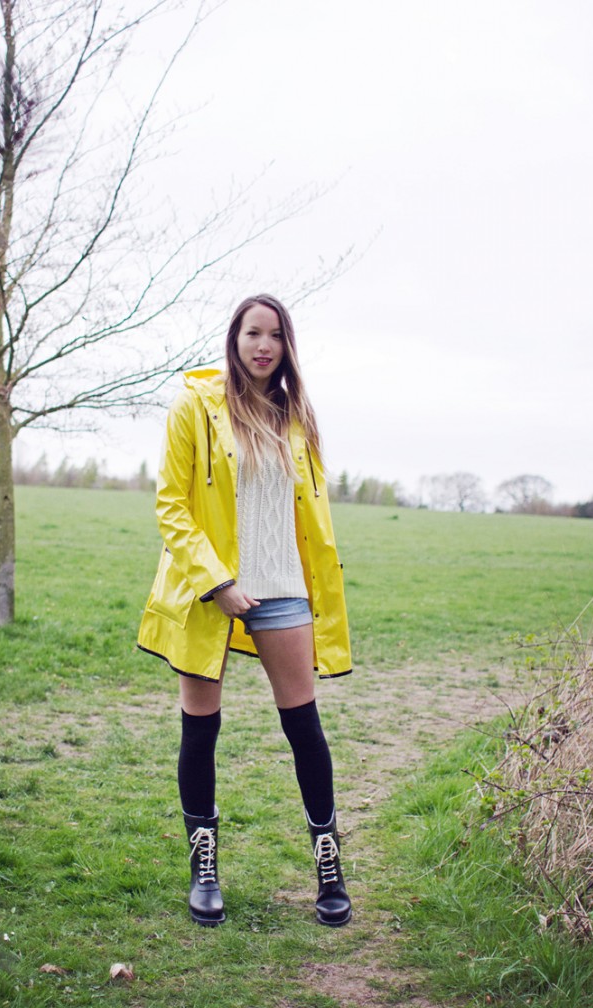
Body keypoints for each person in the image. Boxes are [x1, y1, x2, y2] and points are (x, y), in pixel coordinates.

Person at [138, 294, 352, 928]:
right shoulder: (195, 407)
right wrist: (217, 582)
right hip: (208, 592)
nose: (264, 345)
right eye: (253, 333)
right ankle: (204, 866)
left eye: (276, 336)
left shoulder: (296, 417)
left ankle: (328, 862)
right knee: (200, 728)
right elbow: (171, 505)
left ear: (287, 347)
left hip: (284, 589)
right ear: (233, 338)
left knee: (304, 728)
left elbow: (308, 518)